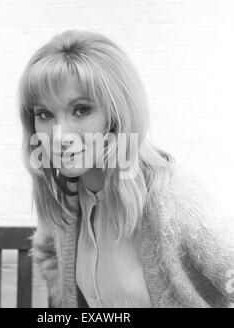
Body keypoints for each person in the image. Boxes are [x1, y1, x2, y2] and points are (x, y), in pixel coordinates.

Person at [17, 29, 234, 308]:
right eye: (44, 114)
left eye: (81, 110)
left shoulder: (170, 195)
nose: (58, 137)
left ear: (116, 115)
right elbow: (47, 252)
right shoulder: (65, 199)